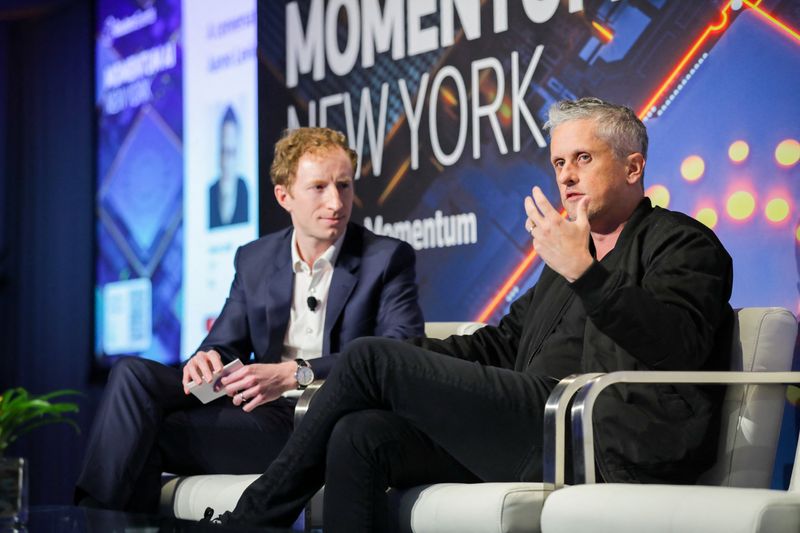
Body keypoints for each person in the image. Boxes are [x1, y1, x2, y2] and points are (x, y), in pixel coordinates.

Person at [213, 97, 735, 532]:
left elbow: (678, 345)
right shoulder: (570, 257)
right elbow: (502, 343)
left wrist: (585, 272)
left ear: (633, 167)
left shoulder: (682, 243)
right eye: (558, 163)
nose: (567, 176)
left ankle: (250, 521)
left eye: (582, 159)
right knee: (361, 433)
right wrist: (408, 358)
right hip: (532, 428)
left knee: (368, 357)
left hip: (600, 436)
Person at [75, 127, 425, 513]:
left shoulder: (386, 259)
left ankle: (87, 521)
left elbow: (401, 350)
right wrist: (206, 358)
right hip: (258, 409)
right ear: (284, 196)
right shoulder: (255, 258)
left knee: (138, 437)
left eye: (344, 186)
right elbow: (224, 344)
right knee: (132, 374)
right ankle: (89, 521)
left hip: (319, 421)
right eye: (319, 187)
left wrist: (296, 373)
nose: (336, 202)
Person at [209, 106, 249, 229]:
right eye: (223, 152)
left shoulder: (244, 190)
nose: (226, 162)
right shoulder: (210, 192)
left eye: (231, 153)